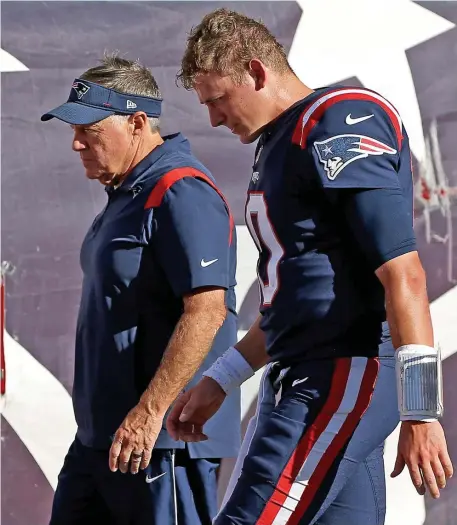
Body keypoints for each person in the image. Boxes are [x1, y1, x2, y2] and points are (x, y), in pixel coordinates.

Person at [167, 8, 454, 525]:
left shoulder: (339, 117)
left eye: (217, 100)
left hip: (341, 374)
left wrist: (421, 408)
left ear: (255, 72)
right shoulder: (278, 142)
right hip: (308, 372)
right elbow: (298, 300)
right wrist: (221, 378)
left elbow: (404, 273)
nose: (213, 118)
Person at [40, 53, 240, 525]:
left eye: (89, 131)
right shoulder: (127, 192)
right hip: (100, 441)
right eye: (74, 131)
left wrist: (150, 414)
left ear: (136, 123)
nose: (76, 144)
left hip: (158, 444)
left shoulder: (180, 190)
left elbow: (209, 311)